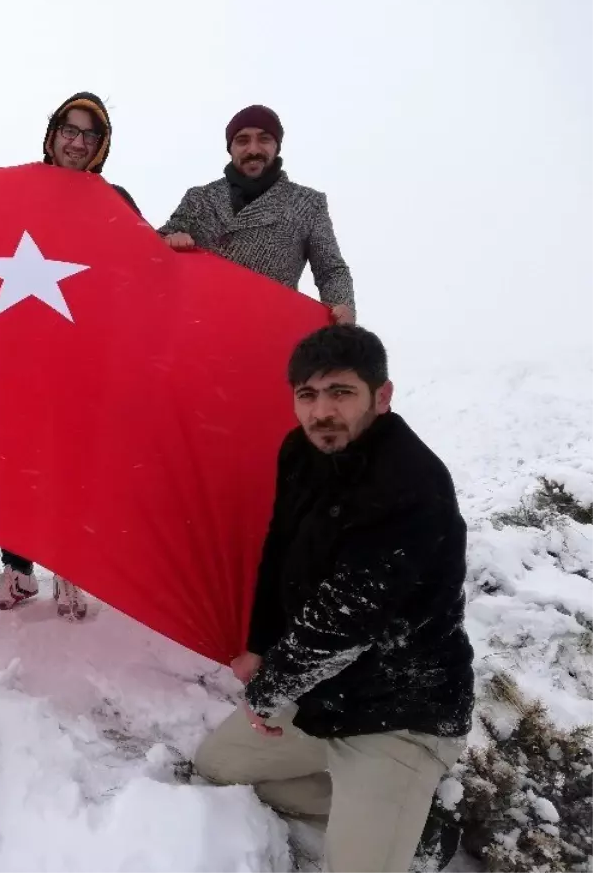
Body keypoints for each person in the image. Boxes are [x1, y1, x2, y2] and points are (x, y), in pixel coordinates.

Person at [194, 324, 474, 873]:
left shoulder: (411, 483)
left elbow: (349, 618)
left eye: (341, 392)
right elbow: (279, 549)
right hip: (327, 694)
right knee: (218, 765)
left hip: (402, 711)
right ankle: (377, 809)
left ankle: (416, 821)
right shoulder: (300, 451)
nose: (322, 411)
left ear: (382, 396)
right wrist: (258, 645)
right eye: (308, 394)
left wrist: (269, 690)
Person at [0, 91, 140, 620]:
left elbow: (142, 262)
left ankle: (69, 571)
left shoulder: (112, 198)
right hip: (17, 352)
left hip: (79, 353)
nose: (76, 142)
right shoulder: (20, 185)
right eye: (68, 131)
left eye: (88, 135)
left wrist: (175, 246)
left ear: (102, 145)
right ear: (52, 135)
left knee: (69, 461)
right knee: (15, 461)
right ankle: (18, 571)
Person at [157, 105, 357, 325]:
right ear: (230, 148)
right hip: (199, 324)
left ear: (277, 146)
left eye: (264, 139)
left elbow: (330, 270)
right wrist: (170, 241)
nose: (253, 149)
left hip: (265, 331)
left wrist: (342, 306)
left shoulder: (307, 203)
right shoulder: (199, 198)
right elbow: (155, 249)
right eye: (242, 140)